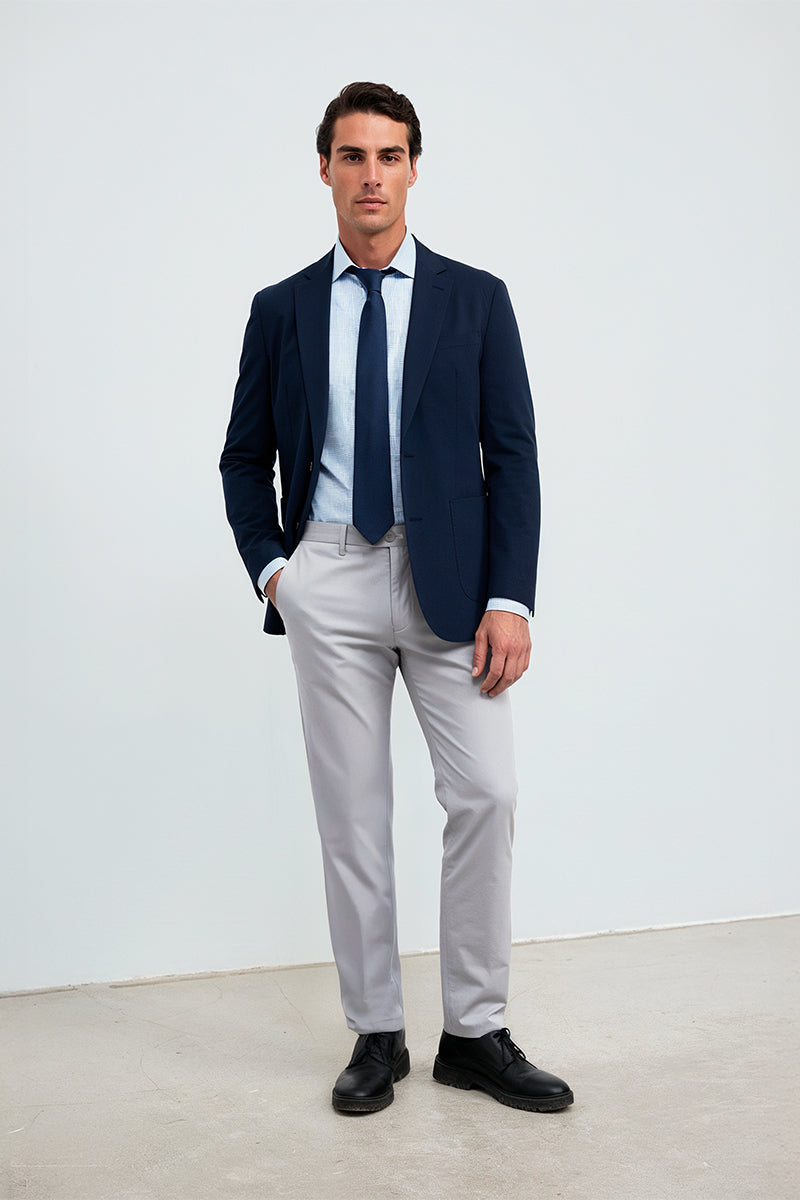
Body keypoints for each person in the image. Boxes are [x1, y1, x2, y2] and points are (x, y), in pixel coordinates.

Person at [220, 82, 573, 1116]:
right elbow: (244, 458)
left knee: (486, 793)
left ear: (414, 168)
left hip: (451, 579)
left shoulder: (475, 299)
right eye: (352, 156)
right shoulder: (280, 309)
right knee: (354, 817)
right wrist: (276, 571)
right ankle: (376, 1032)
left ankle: (475, 1032)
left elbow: (513, 457)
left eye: (389, 155)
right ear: (325, 170)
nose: (371, 175)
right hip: (327, 572)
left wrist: (511, 598)